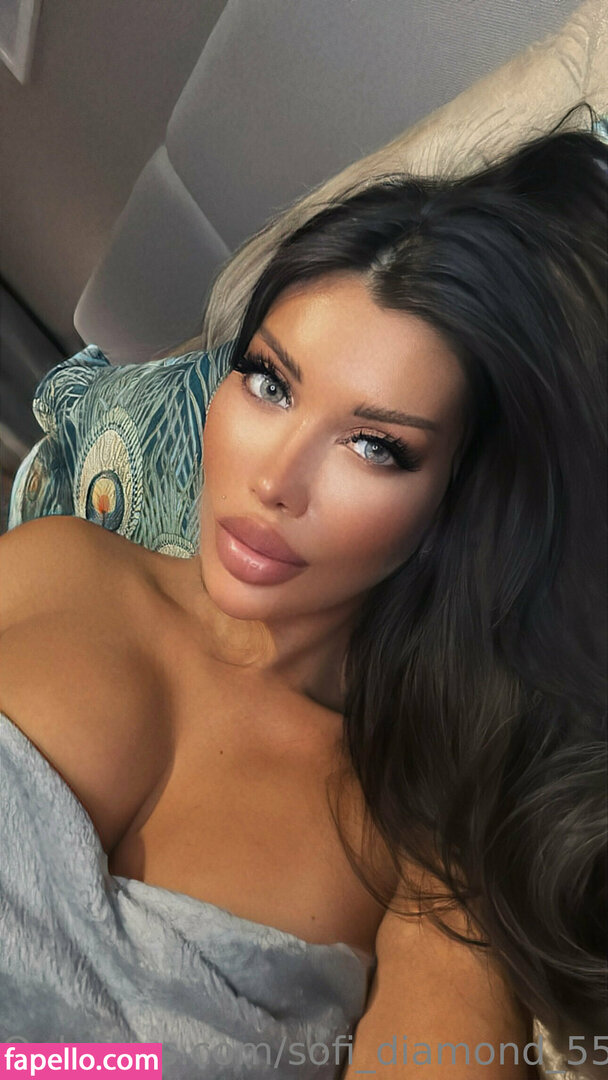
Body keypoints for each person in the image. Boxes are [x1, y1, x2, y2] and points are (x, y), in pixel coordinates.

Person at [0, 112, 606, 1078]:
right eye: (270, 382)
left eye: (375, 446)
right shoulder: (51, 562)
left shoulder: (423, 857)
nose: (275, 481)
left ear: (458, 499)